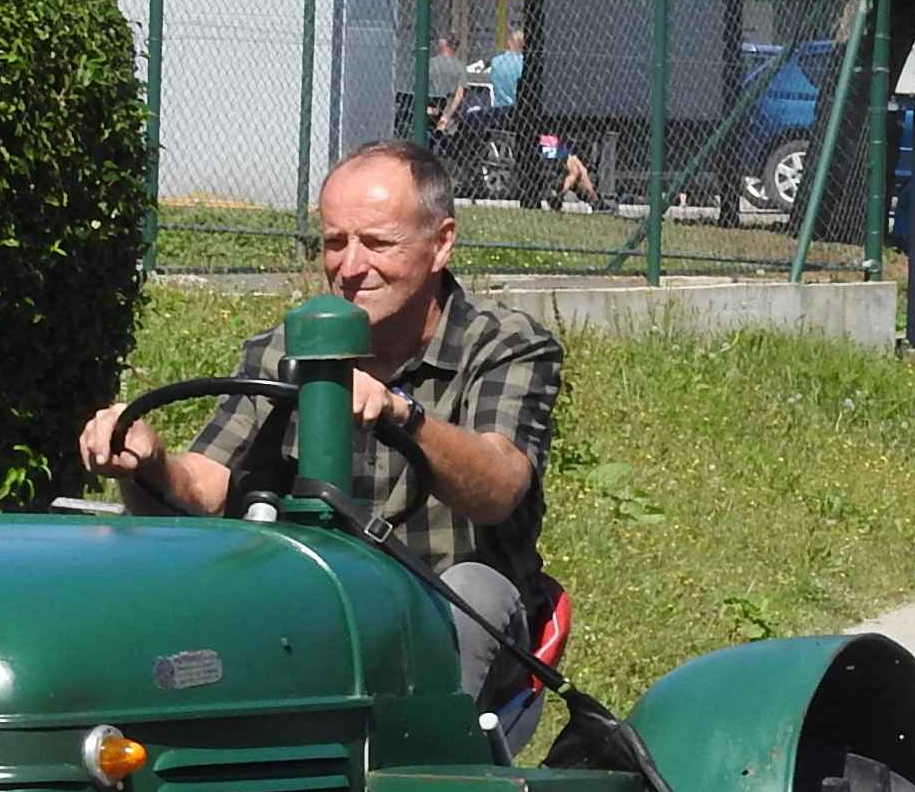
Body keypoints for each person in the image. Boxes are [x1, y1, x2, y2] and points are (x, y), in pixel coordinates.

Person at [77, 140, 562, 698]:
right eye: (335, 242)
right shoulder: (286, 350)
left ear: (441, 243)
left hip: (446, 602)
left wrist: (404, 415)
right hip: (313, 600)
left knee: (474, 589)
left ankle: (427, 773)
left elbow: (499, 484)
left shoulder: (505, 346)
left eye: (378, 243)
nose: (350, 267)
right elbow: (210, 481)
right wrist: (151, 460)